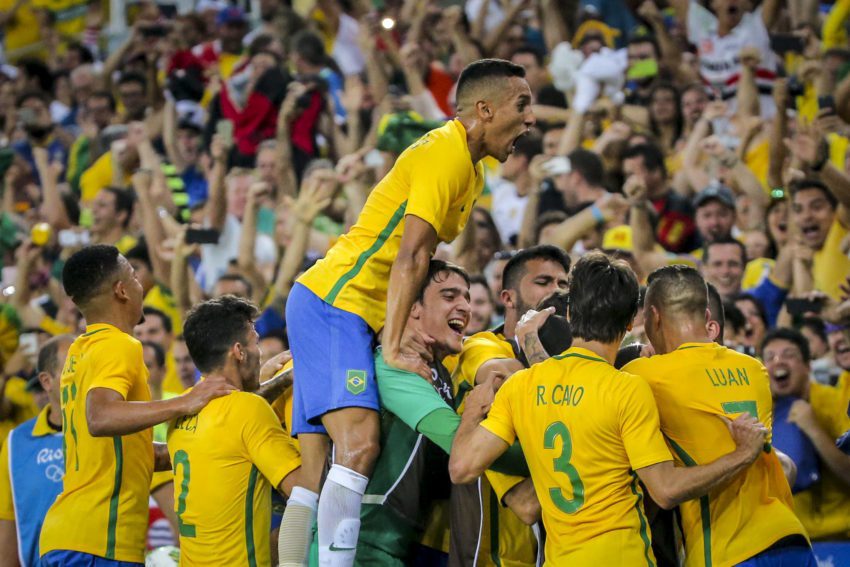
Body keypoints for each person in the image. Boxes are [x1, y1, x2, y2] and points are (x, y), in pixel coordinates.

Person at [280, 58, 536, 566]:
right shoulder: (446, 156)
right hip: (338, 304)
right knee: (359, 445)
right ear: (484, 110)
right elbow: (412, 255)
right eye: (521, 105)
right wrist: (394, 343)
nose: (530, 119)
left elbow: (420, 262)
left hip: (332, 305)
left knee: (313, 475)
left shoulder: (471, 169)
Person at [449, 252, 767, 564]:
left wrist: (472, 414)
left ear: (570, 312)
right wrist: (741, 454)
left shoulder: (522, 386)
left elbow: (461, 468)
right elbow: (666, 489)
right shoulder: (627, 387)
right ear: (631, 322)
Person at [39, 245, 233, 566]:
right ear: (121, 290)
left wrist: (206, 445)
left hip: (68, 537)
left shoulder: (81, 351)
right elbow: (100, 417)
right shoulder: (120, 344)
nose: (141, 285)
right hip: (98, 542)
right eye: (134, 276)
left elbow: (131, 453)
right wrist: (185, 401)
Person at [623, 266, 813, 566]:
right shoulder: (754, 369)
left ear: (655, 318)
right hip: (791, 538)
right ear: (706, 317)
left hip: (727, 551)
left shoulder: (644, 375)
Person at [167, 296, 301, 566]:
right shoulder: (248, 409)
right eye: (256, 342)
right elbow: (302, 489)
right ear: (239, 351)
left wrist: (270, 381)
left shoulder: (181, 410)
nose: (260, 352)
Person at [0, 335, 72, 566]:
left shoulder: (108, 430)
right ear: (47, 381)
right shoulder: (16, 443)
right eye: (72, 368)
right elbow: (9, 522)